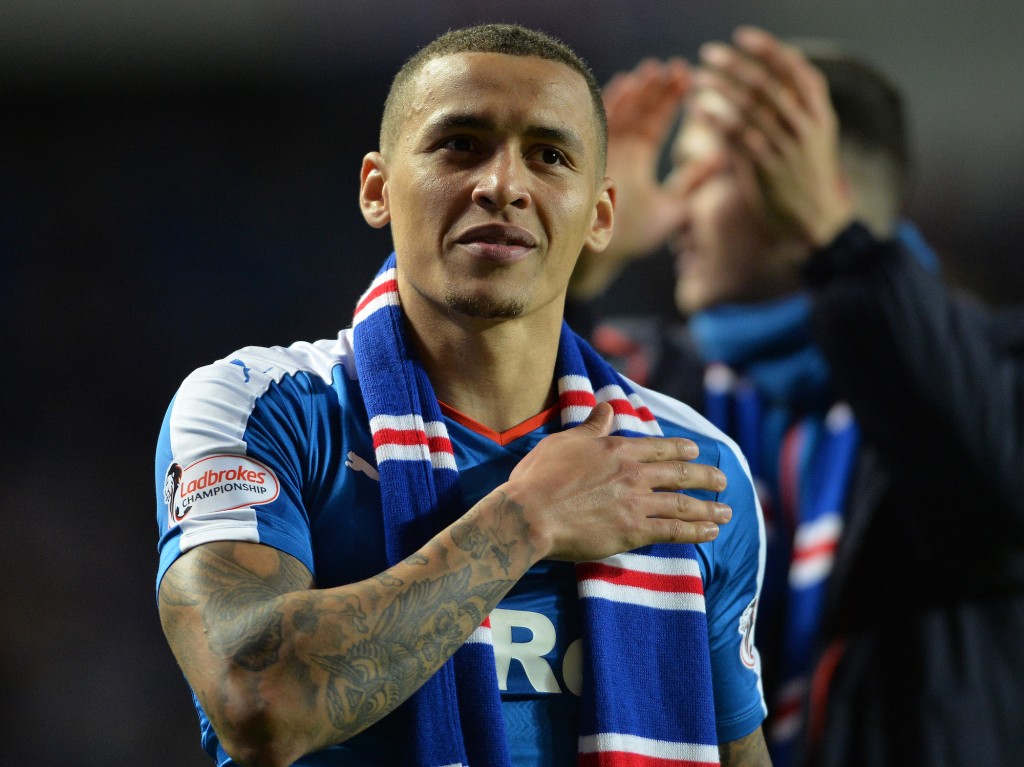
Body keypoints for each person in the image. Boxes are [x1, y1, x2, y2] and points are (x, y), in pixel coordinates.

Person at [155, 24, 771, 767]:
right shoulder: (268, 411)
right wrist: (526, 518)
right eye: (461, 144)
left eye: (549, 155)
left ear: (601, 215)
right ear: (377, 189)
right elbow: (257, 702)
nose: (502, 184)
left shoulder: (691, 468)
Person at [569, 25, 1024, 767]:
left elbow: (993, 503)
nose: (672, 206)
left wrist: (837, 244)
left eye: (699, 171)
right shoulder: (658, 386)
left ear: (810, 180)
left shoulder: (989, 367)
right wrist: (581, 260)